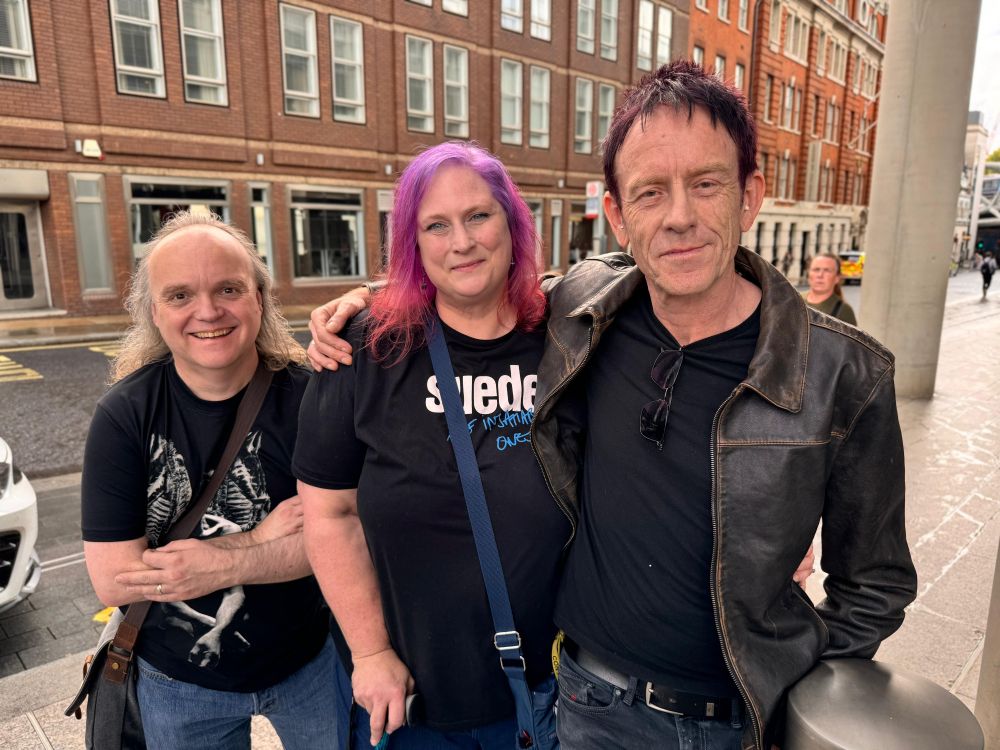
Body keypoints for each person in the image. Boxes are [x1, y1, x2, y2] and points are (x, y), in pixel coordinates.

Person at [311, 61, 914, 750]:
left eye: (706, 184)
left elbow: (875, 584)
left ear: (751, 195)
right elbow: (472, 279)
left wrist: (796, 691)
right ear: (619, 215)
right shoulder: (581, 310)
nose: (680, 216)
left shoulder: (847, 373)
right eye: (651, 192)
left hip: (742, 724)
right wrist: (370, 302)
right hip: (590, 706)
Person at [293, 142, 569, 750]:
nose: (462, 242)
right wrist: (370, 653)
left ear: (513, 222)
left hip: (556, 691)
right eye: (435, 226)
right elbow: (328, 514)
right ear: (412, 246)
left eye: (479, 216)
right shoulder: (365, 349)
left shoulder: (569, 333)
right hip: (409, 696)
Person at [81, 212, 350, 749]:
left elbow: (345, 539)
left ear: (259, 297)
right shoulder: (124, 415)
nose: (207, 311)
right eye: (179, 295)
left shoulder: (310, 399)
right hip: (178, 682)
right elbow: (115, 580)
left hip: (310, 666)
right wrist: (264, 539)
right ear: (153, 312)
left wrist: (216, 561)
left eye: (228, 288)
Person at [802, 252, 858, 324]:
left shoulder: (843, 311)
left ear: (837, 278)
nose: (820, 275)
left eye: (827, 270)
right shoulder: (794, 299)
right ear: (808, 274)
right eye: (816, 269)